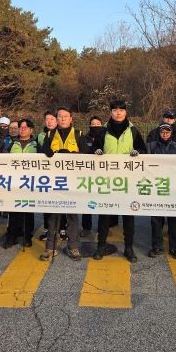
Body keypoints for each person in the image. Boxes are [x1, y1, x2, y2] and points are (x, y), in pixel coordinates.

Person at [93, 100, 147, 263]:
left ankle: (128, 248)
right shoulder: (103, 130)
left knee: (128, 216)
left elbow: (143, 150)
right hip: (107, 180)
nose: (118, 112)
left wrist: (138, 152)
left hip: (127, 180)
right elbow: (94, 148)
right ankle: (101, 246)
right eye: (115, 110)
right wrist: (97, 150)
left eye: (121, 110)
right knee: (104, 215)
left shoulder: (133, 130)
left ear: (125, 112)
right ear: (110, 112)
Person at [39, 107, 86, 261]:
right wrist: (46, 151)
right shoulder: (49, 135)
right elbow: (42, 152)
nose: (63, 118)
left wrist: (72, 155)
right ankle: (50, 247)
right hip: (55, 181)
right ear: (56, 119)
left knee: (72, 215)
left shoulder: (79, 134)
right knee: (53, 216)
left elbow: (87, 154)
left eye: (66, 116)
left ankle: (73, 247)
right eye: (60, 116)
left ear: (71, 118)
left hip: (73, 182)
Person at [147, 123, 176, 259]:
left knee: (175, 220)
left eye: (167, 132)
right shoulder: (151, 146)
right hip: (157, 186)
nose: (165, 134)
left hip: (174, 188)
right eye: (162, 132)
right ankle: (156, 246)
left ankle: (174, 248)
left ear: (171, 133)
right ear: (159, 133)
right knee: (156, 220)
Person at [1, 119, 38, 249]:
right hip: (15, 182)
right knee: (14, 210)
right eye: (20, 127)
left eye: (25, 127)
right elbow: (2, 158)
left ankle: (27, 236)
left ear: (31, 130)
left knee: (28, 211)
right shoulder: (12, 143)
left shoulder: (37, 144)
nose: (22, 129)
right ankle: (12, 236)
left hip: (30, 182)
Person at [80, 116, 104, 237]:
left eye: (98, 124)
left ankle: (103, 228)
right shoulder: (84, 138)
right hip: (88, 175)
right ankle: (86, 228)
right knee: (87, 202)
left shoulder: (106, 137)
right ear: (90, 125)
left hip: (103, 175)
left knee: (103, 202)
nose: (95, 126)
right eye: (93, 124)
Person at [37, 111, 59, 241]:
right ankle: (47, 229)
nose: (49, 121)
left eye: (52, 119)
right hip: (46, 175)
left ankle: (62, 229)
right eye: (47, 119)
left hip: (61, 175)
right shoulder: (41, 136)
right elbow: (39, 151)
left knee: (62, 203)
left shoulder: (62, 133)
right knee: (47, 203)